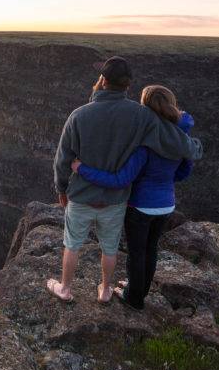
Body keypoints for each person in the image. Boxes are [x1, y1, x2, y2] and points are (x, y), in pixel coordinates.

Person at [48, 56, 203, 303]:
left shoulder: (78, 115)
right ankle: (106, 290)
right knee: (109, 248)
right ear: (128, 85)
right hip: (115, 199)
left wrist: (62, 188)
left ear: (102, 81)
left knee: (72, 244)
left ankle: (65, 289)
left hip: (81, 196)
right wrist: (193, 147)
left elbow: (62, 159)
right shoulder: (142, 115)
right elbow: (173, 139)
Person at [71, 85, 194, 310]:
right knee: (151, 249)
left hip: (141, 206)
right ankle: (139, 289)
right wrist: (162, 179)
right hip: (166, 204)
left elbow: (120, 180)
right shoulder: (180, 139)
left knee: (137, 252)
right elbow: (184, 172)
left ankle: (134, 298)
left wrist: (81, 169)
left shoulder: (146, 145)